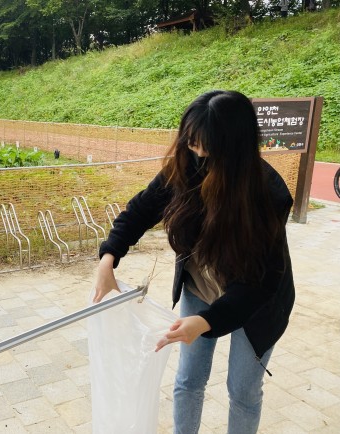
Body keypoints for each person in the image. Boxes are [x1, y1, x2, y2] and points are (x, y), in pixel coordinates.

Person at [93, 90, 295, 434]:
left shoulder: (267, 194)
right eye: (189, 140)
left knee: (243, 390)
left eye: (203, 144)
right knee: (188, 380)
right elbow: (141, 208)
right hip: (199, 289)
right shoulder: (187, 165)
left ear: (232, 146)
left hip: (255, 305)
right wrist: (108, 257)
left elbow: (258, 284)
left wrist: (205, 323)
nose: (194, 150)